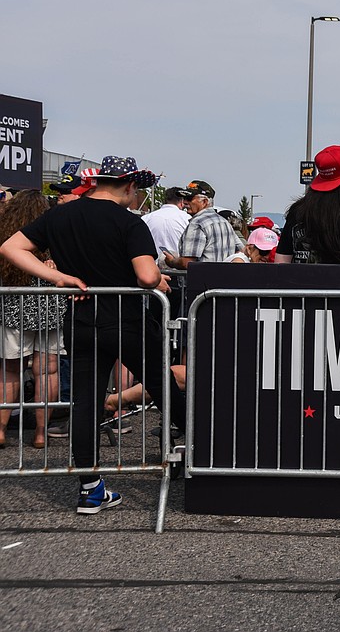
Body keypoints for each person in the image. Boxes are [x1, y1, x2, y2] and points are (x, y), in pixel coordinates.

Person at [0, 155, 182, 514]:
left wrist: (58, 278)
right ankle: (191, 451)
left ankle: (90, 488)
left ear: (97, 182)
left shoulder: (60, 214)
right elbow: (146, 276)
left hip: (82, 319)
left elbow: (10, 247)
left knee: (85, 400)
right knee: (162, 384)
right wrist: (157, 281)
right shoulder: (130, 222)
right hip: (126, 319)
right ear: (130, 186)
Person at [0, 191, 65, 448]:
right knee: (48, 370)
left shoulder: (6, 231)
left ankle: (1, 431)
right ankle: (40, 433)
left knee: (9, 370)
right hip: (49, 307)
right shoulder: (54, 229)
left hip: (14, 306)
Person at [163, 180, 243, 268]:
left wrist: (172, 261)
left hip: (202, 280)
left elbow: (187, 263)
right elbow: (241, 250)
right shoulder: (224, 222)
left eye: (189, 198)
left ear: (204, 202)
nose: (185, 202)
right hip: (224, 279)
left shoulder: (197, 223)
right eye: (184, 198)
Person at [141, 186, 189, 266]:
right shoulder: (187, 219)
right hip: (178, 270)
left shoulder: (146, 218)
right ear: (182, 201)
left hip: (152, 268)